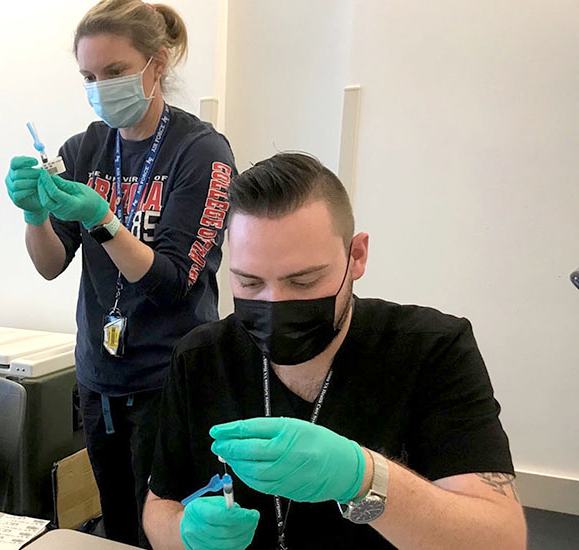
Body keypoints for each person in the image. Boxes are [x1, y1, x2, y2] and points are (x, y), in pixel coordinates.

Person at [143, 153, 526, 549]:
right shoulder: (200, 358)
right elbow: (160, 506)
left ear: (356, 256)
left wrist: (364, 479)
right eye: (250, 283)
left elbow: (501, 539)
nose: (275, 304)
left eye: (303, 281)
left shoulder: (432, 349)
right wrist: (186, 534)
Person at [3, 0, 235, 545]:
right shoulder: (83, 149)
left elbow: (175, 281)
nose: (101, 87)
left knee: (170, 525)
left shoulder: (200, 152)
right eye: (89, 76)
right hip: (100, 377)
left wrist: (103, 219)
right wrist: (35, 216)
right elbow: (50, 264)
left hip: (170, 378)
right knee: (119, 525)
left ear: (157, 64)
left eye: (115, 72)